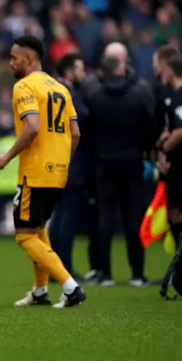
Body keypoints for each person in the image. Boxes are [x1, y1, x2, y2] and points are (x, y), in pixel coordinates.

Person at [0, 35, 86, 308]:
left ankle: (70, 287)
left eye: (14, 58)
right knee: (39, 230)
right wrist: (61, 160)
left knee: (24, 235)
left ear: (29, 59)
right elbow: (76, 133)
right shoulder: (60, 88)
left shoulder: (25, 86)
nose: (10, 63)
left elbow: (31, 127)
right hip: (58, 172)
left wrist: (7, 157)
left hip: (34, 173)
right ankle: (40, 290)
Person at [87, 56, 157, 286]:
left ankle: (104, 273)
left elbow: (89, 131)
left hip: (105, 164)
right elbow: (149, 128)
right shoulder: (137, 96)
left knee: (104, 219)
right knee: (133, 219)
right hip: (132, 162)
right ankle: (137, 273)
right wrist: (145, 150)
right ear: (122, 69)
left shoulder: (96, 98)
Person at [48, 53, 89, 279]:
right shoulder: (68, 94)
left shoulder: (53, 91)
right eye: (80, 68)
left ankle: (54, 267)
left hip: (55, 161)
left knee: (59, 217)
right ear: (69, 71)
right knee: (67, 219)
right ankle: (64, 269)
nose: (84, 73)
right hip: (70, 163)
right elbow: (81, 119)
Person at [159, 55, 182, 248]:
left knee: (177, 212)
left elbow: (181, 130)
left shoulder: (180, 95)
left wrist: (164, 149)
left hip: (180, 164)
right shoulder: (172, 95)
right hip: (174, 165)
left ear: (170, 70)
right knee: (173, 212)